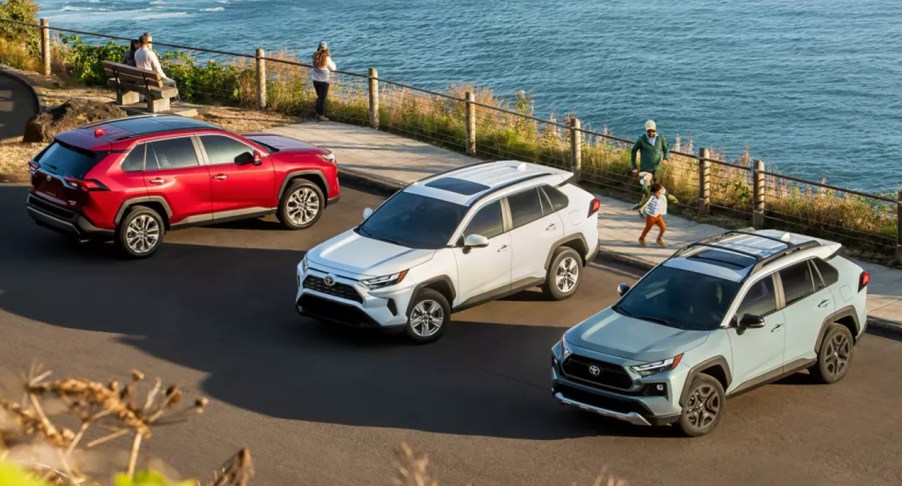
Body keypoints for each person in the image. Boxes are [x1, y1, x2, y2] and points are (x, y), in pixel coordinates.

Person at [311, 41, 337, 122]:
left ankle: (317, 114)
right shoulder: (326, 58)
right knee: (322, 99)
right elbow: (333, 68)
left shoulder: (314, 56)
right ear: (326, 49)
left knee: (319, 97)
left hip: (315, 80)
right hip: (324, 81)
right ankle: (321, 116)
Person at [638, 182, 669, 247]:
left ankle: (659, 239)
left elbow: (663, 190)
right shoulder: (650, 198)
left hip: (658, 216)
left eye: (660, 192)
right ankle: (641, 238)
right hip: (651, 216)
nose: (660, 193)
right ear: (654, 192)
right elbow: (643, 204)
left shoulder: (661, 195)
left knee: (663, 227)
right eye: (658, 192)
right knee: (648, 228)